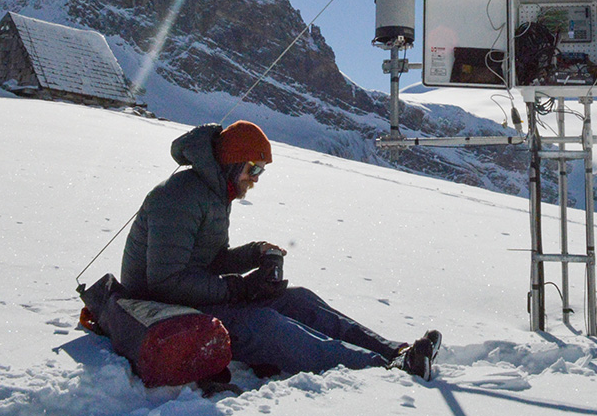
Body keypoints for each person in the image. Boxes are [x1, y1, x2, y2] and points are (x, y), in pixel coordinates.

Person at [120, 120, 441, 381]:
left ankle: (394, 352)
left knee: (297, 299)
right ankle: (383, 370)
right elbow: (165, 281)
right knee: (265, 325)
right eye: (254, 170)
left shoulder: (215, 194)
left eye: (261, 171)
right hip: (162, 311)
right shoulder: (180, 197)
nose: (257, 179)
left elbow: (211, 259)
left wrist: (257, 254)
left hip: (189, 297)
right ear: (233, 165)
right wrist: (241, 288)